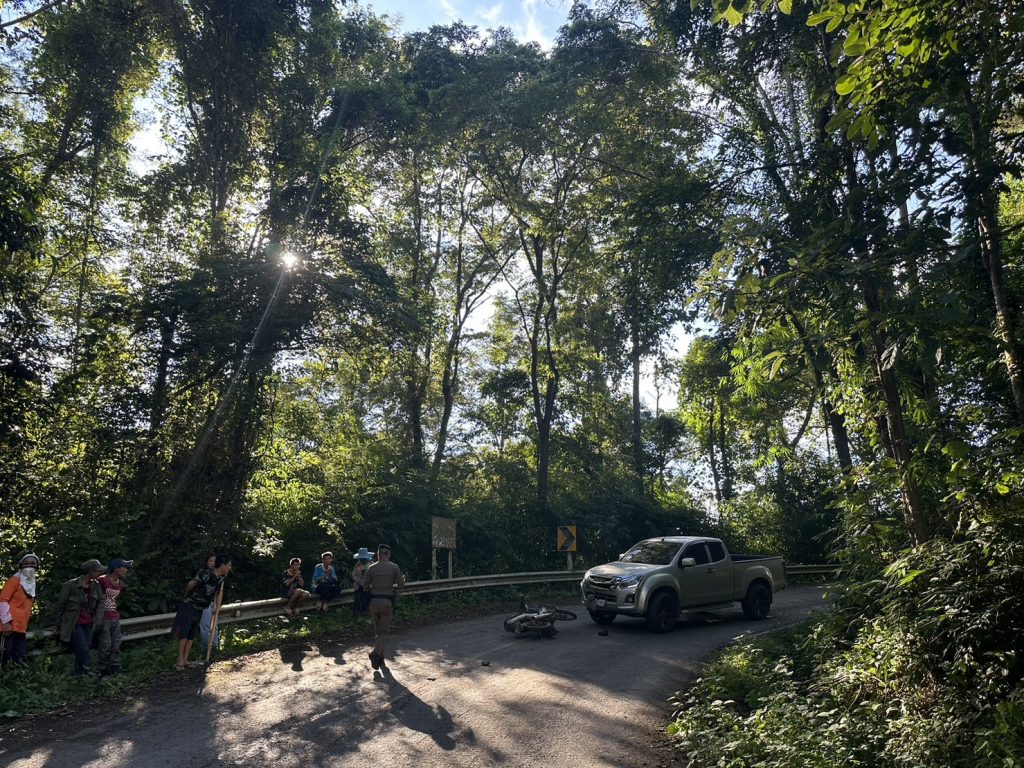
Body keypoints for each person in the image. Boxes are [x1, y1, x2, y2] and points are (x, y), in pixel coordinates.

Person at [170, 554, 232, 671]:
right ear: (223, 565)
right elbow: (191, 585)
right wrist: (189, 595)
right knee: (184, 633)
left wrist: (217, 608)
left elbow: (219, 593)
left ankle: (185, 659)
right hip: (189, 605)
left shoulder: (221, 579)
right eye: (228, 565)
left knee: (191, 634)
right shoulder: (206, 574)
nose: (230, 568)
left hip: (200, 608)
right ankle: (180, 660)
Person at [53, 559, 105, 675]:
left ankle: (79, 675)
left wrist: (98, 619)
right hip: (74, 623)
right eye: (98, 571)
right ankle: (89, 672)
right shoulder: (70, 585)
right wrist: (56, 625)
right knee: (83, 649)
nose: (100, 573)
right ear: (90, 572)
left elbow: (101, 601)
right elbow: (60, 605)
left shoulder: (95, 585)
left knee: (83, 648)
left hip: (88, 622)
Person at [365, 544, 405, 670]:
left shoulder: (371, 568)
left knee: (378, 631)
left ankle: (380, 660)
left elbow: (365, 586)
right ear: (388, 554)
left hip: (373, 602)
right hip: (386, 602)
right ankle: (376, 653)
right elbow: (401, 585)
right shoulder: (394, 567)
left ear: (378, 555)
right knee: (385, 632)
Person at [0, 552, 40, 666]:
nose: (29, 565)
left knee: (20, 659)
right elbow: (2, 600)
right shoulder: (15, 580)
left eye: (32, 563)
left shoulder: (31, 584)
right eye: (26, 563)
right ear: (21, 565)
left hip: (21, 628)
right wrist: (6, 622)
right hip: (8, 627)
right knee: (4, 658)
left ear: (37, 566)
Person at [96, 557, 131, 676]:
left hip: (114, 616)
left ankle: (115, 669)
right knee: (105, 645)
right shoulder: (102, 580)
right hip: (104, 617)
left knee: (116, 644)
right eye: (123, 567)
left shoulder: (120, 584)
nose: (126, 570)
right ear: (116, 569)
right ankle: (103, 671)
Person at [198, 554, 220, 654]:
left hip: (213, 602)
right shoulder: (203, 573)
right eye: (210, 561)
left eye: (214, 561)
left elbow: (217, 591)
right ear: (207, 562)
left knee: (214, 627)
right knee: (205, 627)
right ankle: (211, 649)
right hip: (203, 602)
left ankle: (212, 649)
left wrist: (216, 604)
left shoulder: (218, 574)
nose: (213, 563)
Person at [351, 547, 373, 618]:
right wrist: (360, 581)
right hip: (358, 586)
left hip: (368, 587)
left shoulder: (371, 565)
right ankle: (356, 615)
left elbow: (373, 577)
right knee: (357, 600)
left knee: (366, 600)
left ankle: (366, 613)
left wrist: (367, 583)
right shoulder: (357, 564)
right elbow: (354, 575)